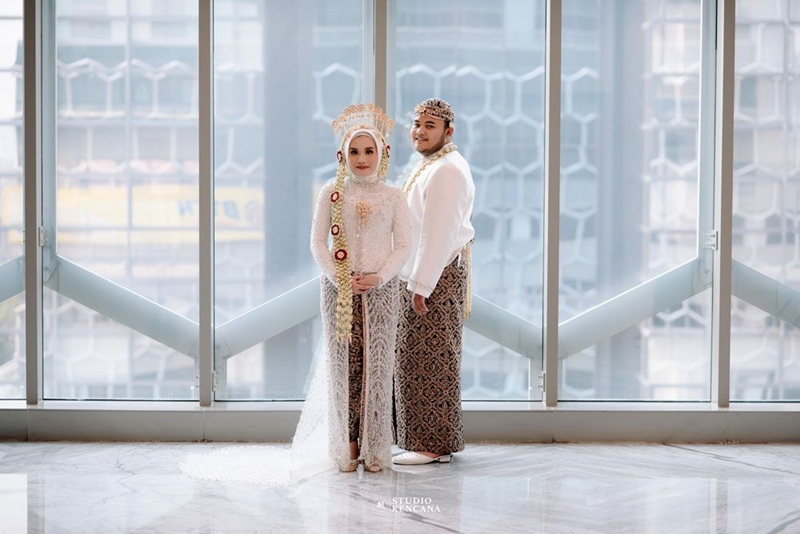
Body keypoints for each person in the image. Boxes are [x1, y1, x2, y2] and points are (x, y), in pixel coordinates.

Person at [308, 103, 411, 473]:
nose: (362, 158)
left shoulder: (395, 196)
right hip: (339, 292)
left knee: (378, 368)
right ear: (343, 155)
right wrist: (339, 277)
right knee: (345, 367)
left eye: (369, 151)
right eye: (354, 151)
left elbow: (403, 246)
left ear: (382, 153)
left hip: (382, 293)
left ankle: (375, 447)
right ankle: (347, 446)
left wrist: (380, 276)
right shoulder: (330, 193)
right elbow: (317, 243)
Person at [393, 98, 475, 466]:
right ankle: (430, 442)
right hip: (424, 275)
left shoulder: (447, 171)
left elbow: (437, 235)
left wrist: (421, 285)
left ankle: (431, 445)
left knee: (430, 360)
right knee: (417, 358)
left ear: (448, 131)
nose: (420, 131)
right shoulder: (435, 165)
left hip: (433, 277)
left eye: (430, 125)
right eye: (417, 124)